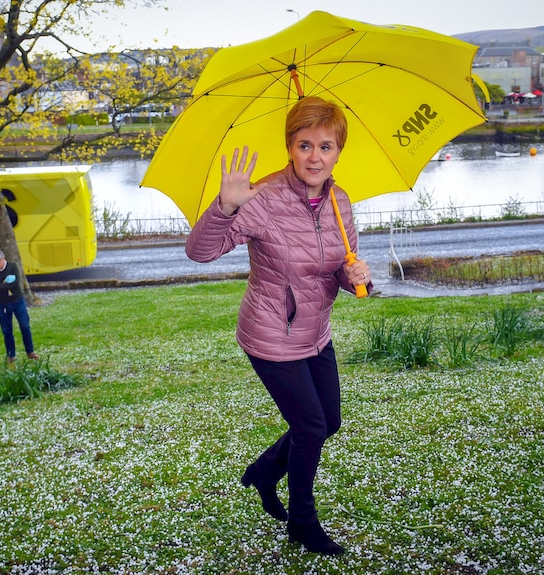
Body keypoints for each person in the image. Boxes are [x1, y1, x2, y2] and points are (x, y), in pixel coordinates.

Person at [185, 96, 371, 555]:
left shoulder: (340, 201)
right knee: (309, 427)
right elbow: (200, 252)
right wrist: (225, 208)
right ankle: (302, 523)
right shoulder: (262, 197)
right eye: (304, 144)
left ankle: (265, 472)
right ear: (290, 146)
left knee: (329, 422)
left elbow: (334, 270)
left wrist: (356, 278)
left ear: (338, 151)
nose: (315, 157)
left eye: (326, 146)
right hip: (270, 331)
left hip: (315, 331)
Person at [0, 249, 39, 364]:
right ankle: (11, 355)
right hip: (2, 303)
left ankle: (30, 351)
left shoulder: (13, 266)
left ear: (3, 259)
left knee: (25, 326)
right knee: (7, 330)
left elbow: (16, 283)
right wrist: (4, 286)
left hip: (17, 300)